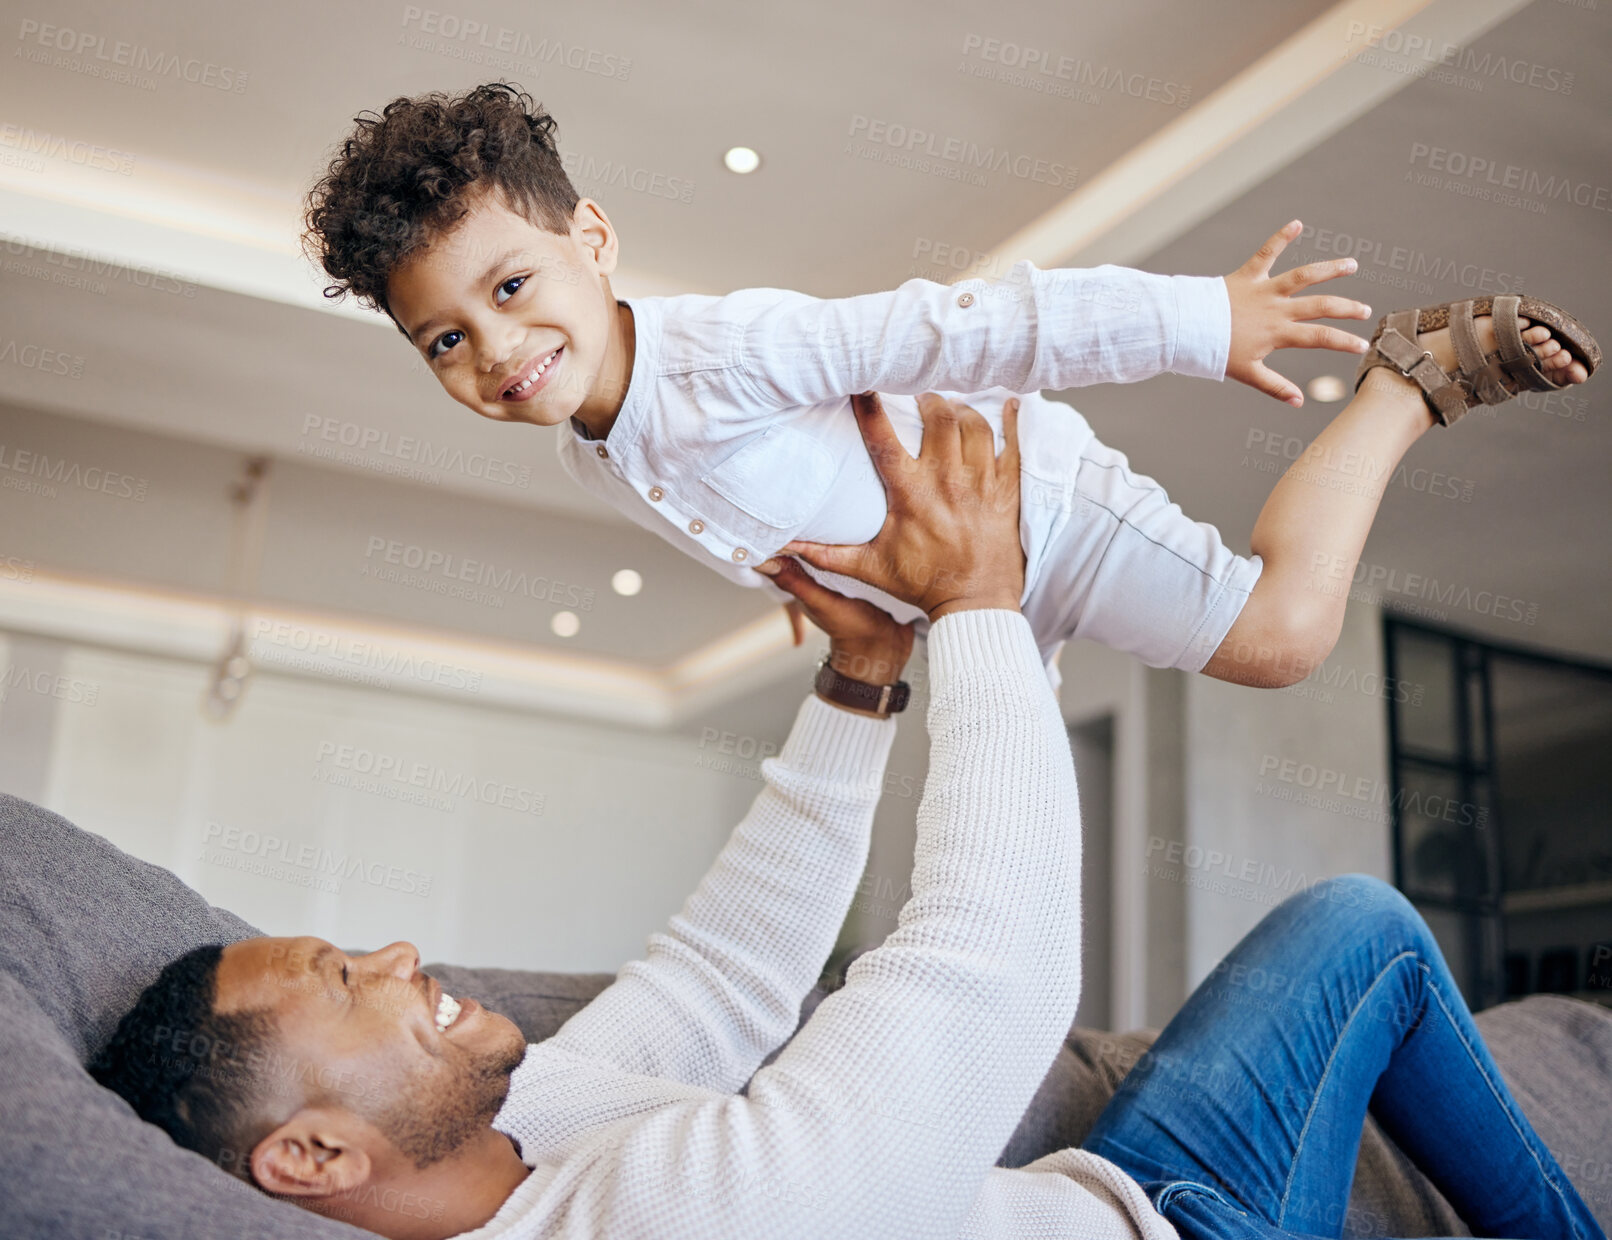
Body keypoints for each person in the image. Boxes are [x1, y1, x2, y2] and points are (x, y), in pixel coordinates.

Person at [92, 392, 1603, 1240]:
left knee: (1352, 928)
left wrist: (867, 678)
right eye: (349, 984)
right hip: (1191, 1230)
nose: (401, 950)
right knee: (1366, 932)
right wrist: (981, 609)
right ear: (309, 1161)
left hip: (1110, 1181)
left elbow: (717, 984)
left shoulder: (518, 1131)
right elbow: (991, 975)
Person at [299, 82, 1596, 693]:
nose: (495, 349)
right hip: (954, 587)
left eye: (512, 287)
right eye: (445, 340)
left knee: (1276, 642)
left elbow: (966, 326)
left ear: (592, 238)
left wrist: (1203, 317)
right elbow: (721, 502)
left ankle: (1409, 380)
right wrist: (796, 586)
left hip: (1041, 508)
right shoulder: (593, 442)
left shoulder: (729, 350)